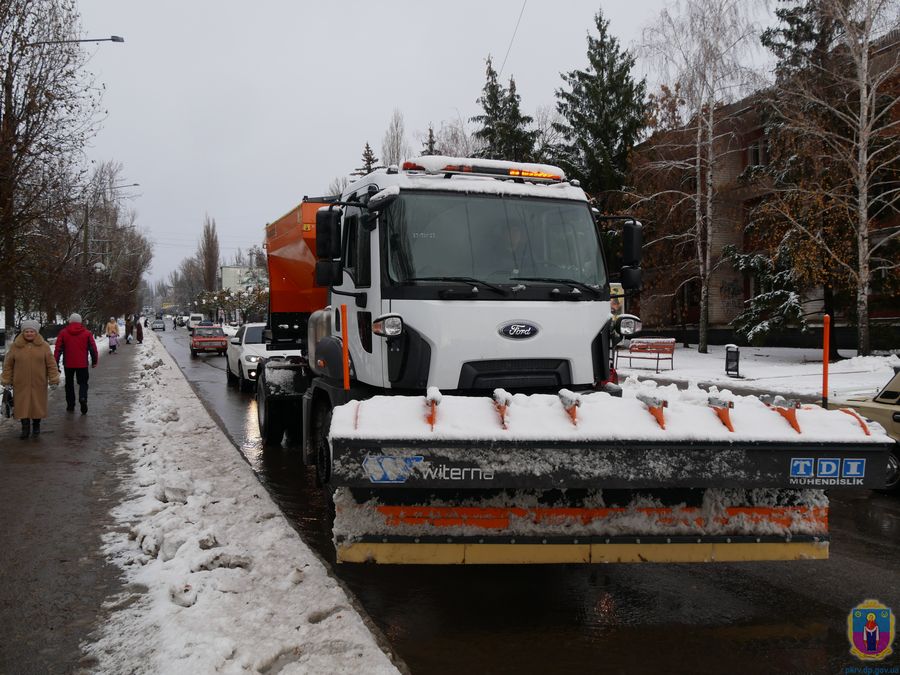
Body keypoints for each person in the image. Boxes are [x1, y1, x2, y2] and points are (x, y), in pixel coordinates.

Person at [1, 319, 60, 439]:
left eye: (32, 331)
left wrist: (54, 379)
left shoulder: (44, 346)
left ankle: (36, 426)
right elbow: (8, 365)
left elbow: (51, 364)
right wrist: (6, 380)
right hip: (20, 383)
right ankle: (25, 428)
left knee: (37, 405)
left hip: (39, 382)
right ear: (23, 332)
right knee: (22, 406)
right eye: (27, 331)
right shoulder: (15, 346)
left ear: (36, 332)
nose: (29, 333)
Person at [54, 313, 99, 414]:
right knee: (83, 383)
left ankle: (70, 404)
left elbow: (58, 349)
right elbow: (93, 348)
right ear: (80, 322)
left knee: (69, 384)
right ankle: (83, 398)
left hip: (68, 364)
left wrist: (55, 363)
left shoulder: (63, 333)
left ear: (69, 321)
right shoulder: (87, 333)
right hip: (82, 364)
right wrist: (94, 360)